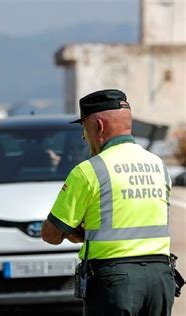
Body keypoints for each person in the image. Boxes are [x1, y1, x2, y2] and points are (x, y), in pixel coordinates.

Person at [40, 89, 176, 316]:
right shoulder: (158, 166)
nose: (84, 136)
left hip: (115, 281)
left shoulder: (89, 171)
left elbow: (51, 234)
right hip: (160, 278)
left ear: (99, 126)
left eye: (84, 127)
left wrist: (79, 233)